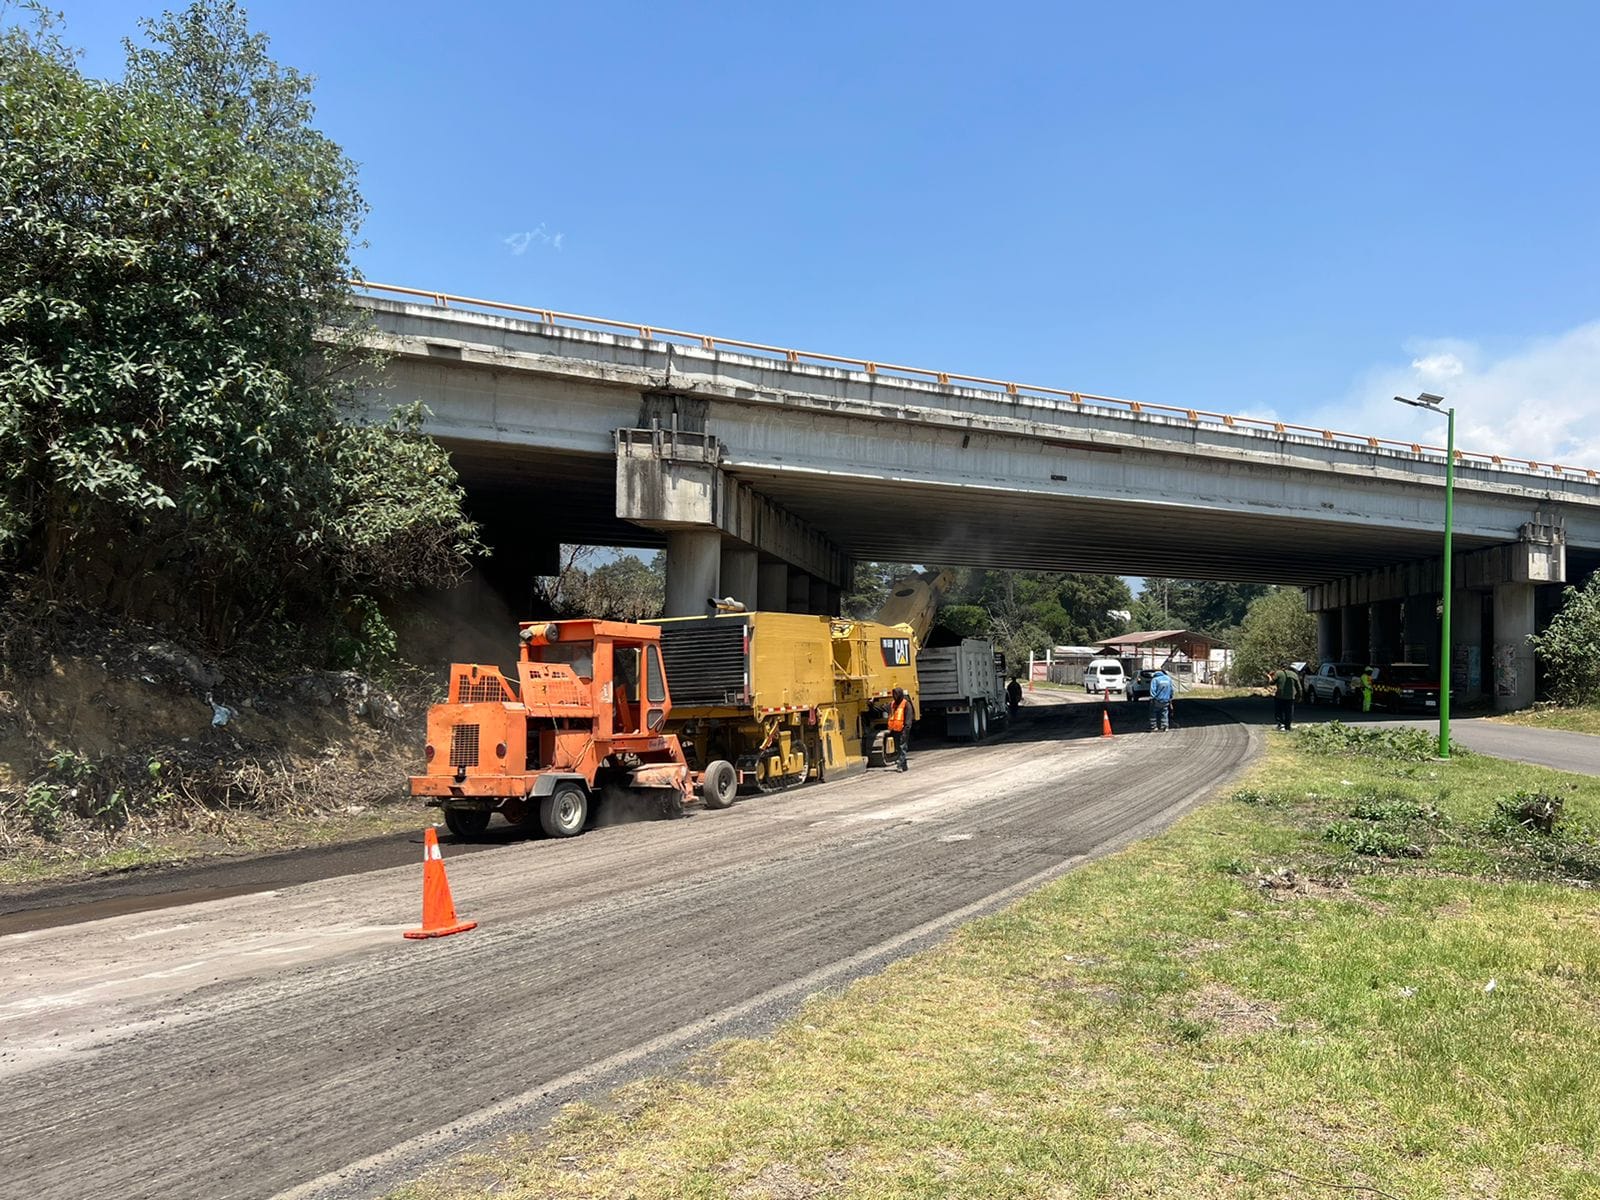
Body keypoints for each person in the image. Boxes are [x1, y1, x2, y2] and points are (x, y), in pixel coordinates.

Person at [887, 686, 915, 772]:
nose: (894, 696)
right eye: (893, 694)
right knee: (898, 748)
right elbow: (881, 708)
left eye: (896, 694)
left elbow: (908, 719)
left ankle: (899, 765)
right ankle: (904, 765)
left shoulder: (906, 704)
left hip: (903, 730)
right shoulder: (892, 704)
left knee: (902, 747)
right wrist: (871, 705)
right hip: (895, 730)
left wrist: (905, 731)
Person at [1270, 664, 1303, 730]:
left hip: (1280, 696)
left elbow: (1271, 683)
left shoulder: (1278, 673)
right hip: (1290, 697)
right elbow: (1299, 688)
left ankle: (1281, 725)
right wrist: (1299, 697)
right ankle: (1288, 726)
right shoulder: (1294, 674)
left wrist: (1270, 677)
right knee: (1289, 712)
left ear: (1281, 667)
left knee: (1279, 711)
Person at [1148, 668, 1174, 732]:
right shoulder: (1168, 678)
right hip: (1166, 700)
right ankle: (1165, 726)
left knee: (1153, 713)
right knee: (1164, 713)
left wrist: (1152, 698)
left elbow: (1152, 691)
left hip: (1157, 700)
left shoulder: (1155, 680)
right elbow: (1171, 689)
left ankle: (1154, 727)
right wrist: (1170, 697)